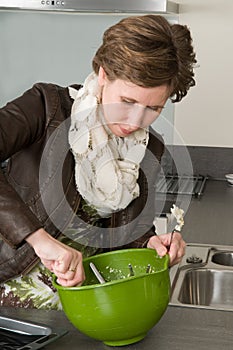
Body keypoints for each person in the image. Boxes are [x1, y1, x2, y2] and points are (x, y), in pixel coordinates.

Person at [0, 15, 196, 309]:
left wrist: (150, 244)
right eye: (127, 102)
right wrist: (39, 240)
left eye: (154, 108)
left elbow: (126, 228)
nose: (136, 121)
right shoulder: (46, 107)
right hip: (8, 297)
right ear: (103, 75)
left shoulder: (149, 148)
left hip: (79, 306)